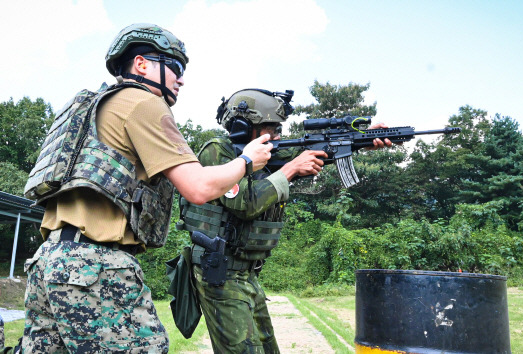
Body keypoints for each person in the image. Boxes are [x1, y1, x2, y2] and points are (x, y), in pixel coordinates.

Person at [21, 24, 272, 353]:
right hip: (94, 267)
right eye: (176, 67)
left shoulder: (94, 109)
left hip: (47, 262)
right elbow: (198, 188)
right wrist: (247, 160)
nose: (181, 78)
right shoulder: (144, 103)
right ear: (141, 64)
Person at [179, 88, 393, 353]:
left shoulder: (268, 154)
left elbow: (309, 154)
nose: (278, 135)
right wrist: (291, 169)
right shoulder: (218, 152)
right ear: (243, 128)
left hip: (246, 272)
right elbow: (245, 204)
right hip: (221, 271)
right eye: (271, 128)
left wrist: (361, 140)